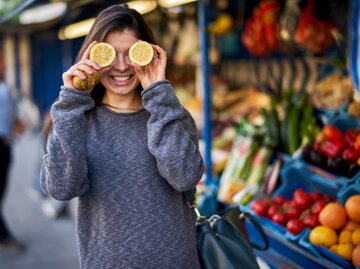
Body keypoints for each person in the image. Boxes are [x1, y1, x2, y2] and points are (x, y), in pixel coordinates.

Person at [40, 4, 204, 269]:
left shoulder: (171, 114)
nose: (121, 66)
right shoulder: (76, 118)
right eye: (110, 54)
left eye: (132, 54)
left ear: (149, 54)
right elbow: (60, 189)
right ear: (92, 57)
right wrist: (71, 101)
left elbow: (184, 177)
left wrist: (159, 95)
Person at [0, 49, 26, 254]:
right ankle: (4, 237)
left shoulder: (5, 84)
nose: (3, 64)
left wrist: (16, 122)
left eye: (3, 59)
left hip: (5, 146)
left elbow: (8, 110)